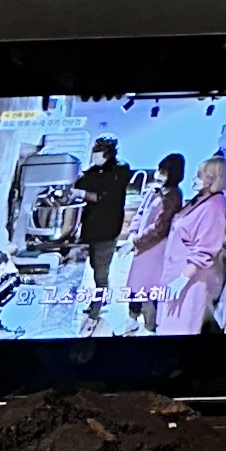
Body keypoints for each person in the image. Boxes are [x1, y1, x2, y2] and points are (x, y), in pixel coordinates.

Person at [154, 153, 226, 337]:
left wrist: (182, 279)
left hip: (190, 281)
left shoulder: (215, 207)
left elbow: (205, 250)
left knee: (178, 329)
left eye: (199, 175)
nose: (194, 179)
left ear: (211, 179)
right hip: (174, 272)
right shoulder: (201, 198)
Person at [125, 153, 186, 331]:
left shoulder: (173, 197)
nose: (159, 175)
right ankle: (132, 319)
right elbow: (141, 212)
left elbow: (160, 228)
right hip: (142, 244)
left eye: (164, 172)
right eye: (159, 170)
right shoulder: (154, 190)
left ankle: (150, 326)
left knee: (148, 287)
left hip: (155, 248)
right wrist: (132, 234)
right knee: (134, 285)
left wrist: (136, 242)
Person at [73, 136, 131, 324]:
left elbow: (105, 198)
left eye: (99, 151)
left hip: (107, 228)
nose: (95, 155)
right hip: (92, 227)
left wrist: (82, 193)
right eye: (95, 150)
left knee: (101, 271)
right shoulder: (95, 170)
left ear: (109, 153)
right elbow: (83, 181)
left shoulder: (119, 170)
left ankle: (96, 311)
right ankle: (101, 299)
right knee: (95, 265)